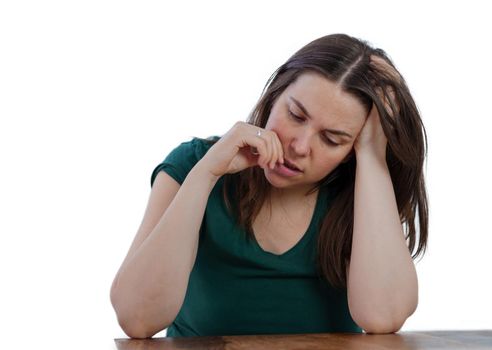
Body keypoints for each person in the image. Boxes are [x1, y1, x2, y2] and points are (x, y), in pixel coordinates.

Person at [110, 33, 429, 339]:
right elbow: (137, 319)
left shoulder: (358, 193)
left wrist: (373, 155)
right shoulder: (189, 164)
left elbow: (382, 316)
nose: (300, 146)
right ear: (275, 95)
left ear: (350, 152)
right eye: (295, 115)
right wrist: (205, 174)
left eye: (332, 139)